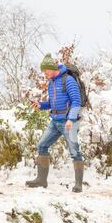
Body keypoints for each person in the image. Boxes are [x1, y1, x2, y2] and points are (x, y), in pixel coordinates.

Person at [26, 53, 85, 193]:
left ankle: (78, 185)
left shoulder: (68, 80)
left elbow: (76, 101)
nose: (44, 73)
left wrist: (71, 119)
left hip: (69, 122)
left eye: (46, 70)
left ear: (52, 68)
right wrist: (41, 105)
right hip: (55, 121)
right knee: (42, 145)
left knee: (74, 151)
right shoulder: (51, 82)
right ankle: (41, 180)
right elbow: (52, 104)